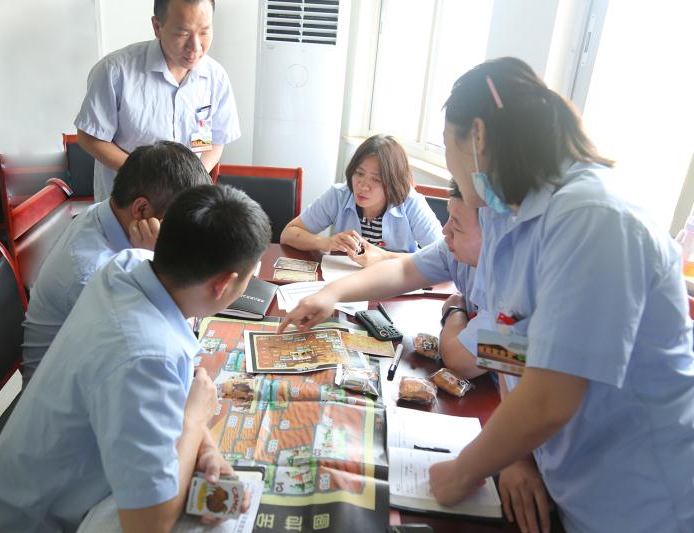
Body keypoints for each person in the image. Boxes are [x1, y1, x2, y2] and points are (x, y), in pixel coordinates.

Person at [282, 57, 694, 533]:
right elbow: (506, 341)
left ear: (477, 136)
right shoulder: (504, 217)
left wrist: (465, 470)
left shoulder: (595, 220)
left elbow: (552, 395)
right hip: (564, 482)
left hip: (645, 501)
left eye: (446, 143)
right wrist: (332, 293)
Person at [0, 185, 271, 533]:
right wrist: (195, 419)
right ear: (224, 284)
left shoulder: (129, 265)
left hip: (53, 490)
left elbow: (176, 388)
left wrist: (206, 449)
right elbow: (149, 525)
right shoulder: (146, 358)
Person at [21, 141, 211, 385]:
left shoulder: (107, 213)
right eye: (178, 226)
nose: (182, 240)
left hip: (100, 368)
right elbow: (151, 345)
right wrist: (157, 262)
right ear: (141, 210)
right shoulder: (91, 272)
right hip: (66, 392)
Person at [75, 0, 240, 202]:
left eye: (204, 32)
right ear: (157, 27)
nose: (196, 47)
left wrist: (191, 180)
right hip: (127, 204)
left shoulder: (216, 77)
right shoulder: (115, 72)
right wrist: (146, 177)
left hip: (183, 204)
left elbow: (216, 140)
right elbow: (89, 137)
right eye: (183, 34)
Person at [280, 134, 442, 263]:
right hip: (344, 281)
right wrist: (326, 242)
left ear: (393, 181)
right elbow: (288, 235)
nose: (363, 186)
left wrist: (383, 256)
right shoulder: (339, 195)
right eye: (359, 173)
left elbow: (443, 255)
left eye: (376, 179)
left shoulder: (411, 203)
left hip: (398, 283)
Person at [417, 180, 489, 379]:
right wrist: (336, 291)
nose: (444, 231)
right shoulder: (456, 249)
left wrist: (455, 309)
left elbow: (460, 362)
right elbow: (405, 270)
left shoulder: (520, 295)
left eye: (456, 226)